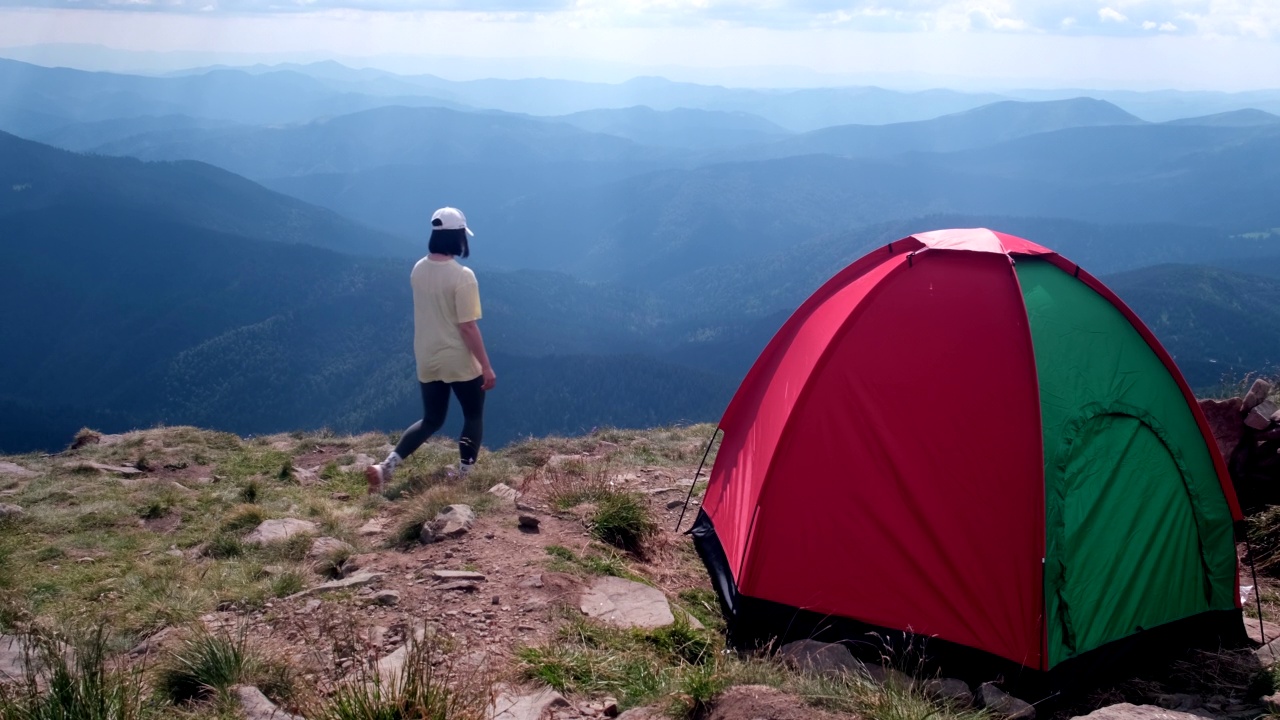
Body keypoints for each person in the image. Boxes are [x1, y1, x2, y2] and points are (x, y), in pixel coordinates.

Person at [366, 206, 497, 494]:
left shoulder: (418, 269)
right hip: (458, 359)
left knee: (432, 419)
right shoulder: (463, 276)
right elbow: (467, 327)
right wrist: (486, 366)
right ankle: (466, 476)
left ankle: (385, 466)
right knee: (473, 416)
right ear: (458, 237)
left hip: (427, 355)